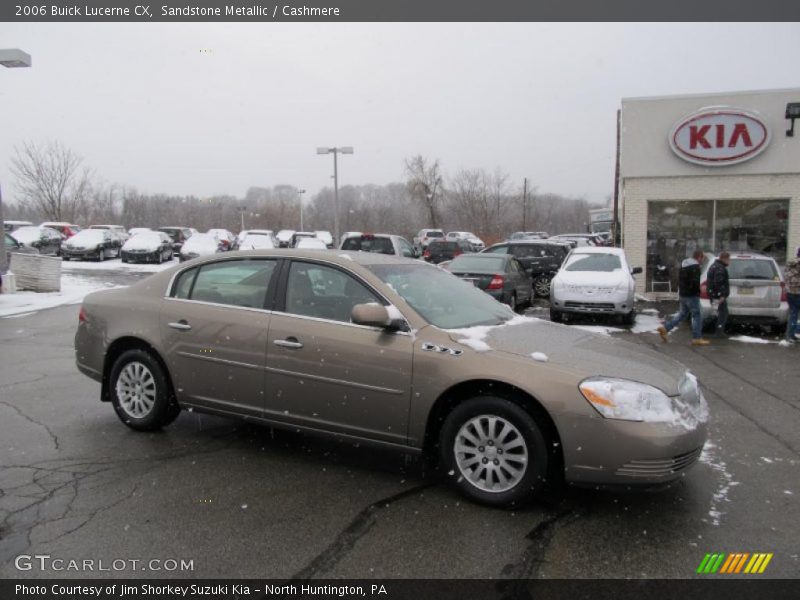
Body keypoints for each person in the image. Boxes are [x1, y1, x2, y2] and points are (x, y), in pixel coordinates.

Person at [658, 249, 709, 345]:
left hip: (683, 294)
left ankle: (665, 328)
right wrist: (700, 289)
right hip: (692, 295)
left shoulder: (684, 265)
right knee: (697, 315)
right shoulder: (695, 267)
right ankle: (697, 338)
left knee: (683, 314)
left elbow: (683, 280)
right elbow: (694, 282)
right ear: (699, 257)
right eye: (703, 258)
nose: (703, 260)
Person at [707, 251, 731, 336]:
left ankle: (717, 330)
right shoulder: (720, 268)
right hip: (717, 295)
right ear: (724, 259)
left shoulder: (715, 266)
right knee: (722, 313)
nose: (729, 261)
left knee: (718, 312)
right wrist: (721, 295)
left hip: (714, 294)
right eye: (728, 259)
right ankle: (718, 331)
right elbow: (719, 282)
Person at [784, 247, 800, 343]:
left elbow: (786, 276)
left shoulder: (790, 264)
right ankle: (792, 334)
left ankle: (790, 335)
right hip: (798, 292)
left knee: (793, 313)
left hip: (790, 292)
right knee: (794, 314)